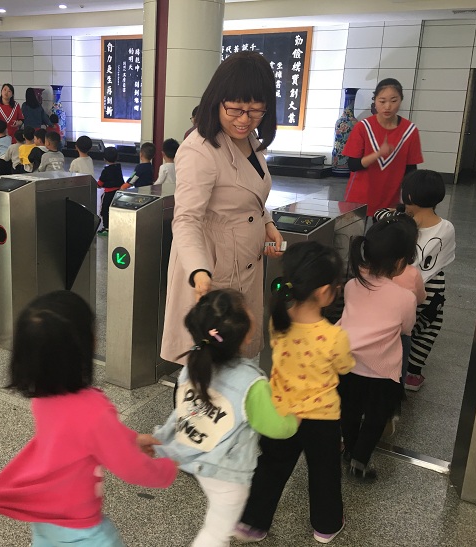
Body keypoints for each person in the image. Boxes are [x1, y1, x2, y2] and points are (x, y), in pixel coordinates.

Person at [0, 291, 177, 546]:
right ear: (86, 345)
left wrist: (132, 439)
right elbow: (131, 467)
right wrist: (167, 468)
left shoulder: (43, 397)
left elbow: (85, 437)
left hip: (46, 519)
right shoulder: (94, 411)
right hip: (82, 531)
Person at [161, 51, 284, 366]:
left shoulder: (250, 139)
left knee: (236, 357)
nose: (244, 120)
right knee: (211, 360)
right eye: (236, 109)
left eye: (255, 110)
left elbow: (250, 191)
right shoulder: (199, 150)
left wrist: (267, 223)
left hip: (244, 258)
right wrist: (199, 271)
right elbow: (186, 219)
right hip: (211, 266)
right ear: (217, 100)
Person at [154, 289, 299, 547]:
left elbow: (182, 411)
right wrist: (294, 418)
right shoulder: (251, 383)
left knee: (218, 516)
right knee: (215, 533)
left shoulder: (192, 365)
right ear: (245, 334)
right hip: (228, 475)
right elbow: (276, 428)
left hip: (197, 459)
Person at [234, 242, 355, 545]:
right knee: (325, 472)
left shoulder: (279, 322)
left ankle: (252, 522)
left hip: (281, 413)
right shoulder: (334, 336)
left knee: (271, 467)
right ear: (325, 292)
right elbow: (344, 367)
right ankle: (326, 526)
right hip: (322, 419)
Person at [337, 215, 419, 479]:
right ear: (400, 262)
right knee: (375, 418)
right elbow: (406, 329)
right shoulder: (405, 297)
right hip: (382, 372)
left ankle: (349, 449)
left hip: (346, 364)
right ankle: (360, 460)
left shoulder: (352, 285)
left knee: (349, 412)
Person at [374, 170, 456, 391]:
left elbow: (378, 214)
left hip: (399, 289)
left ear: (408, 196)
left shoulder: (398, 223)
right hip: (432, 290)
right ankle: (413, 374)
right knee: (428, 329)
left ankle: (387, 366)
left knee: (398, 329)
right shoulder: (447, 228)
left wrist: (398, 211)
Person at [343, 78, 423, 216]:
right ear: (375, 101)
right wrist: (377, 154)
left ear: (401, 100)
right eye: (382, 101)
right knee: (354, 230)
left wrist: (409, 200)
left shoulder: (410, 130)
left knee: (384, 230)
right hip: (360, 196)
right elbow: (353, 165)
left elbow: (411, 170)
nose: (388, 106)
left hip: (391, 197)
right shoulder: (362, 127)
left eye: (394, 101)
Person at [97, 146, 125, 235]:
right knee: (114, 209)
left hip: (108, 193)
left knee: (104, 210)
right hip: (118, 193)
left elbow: (100, 183)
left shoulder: (106, 170)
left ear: (104, 158)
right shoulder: (118, 168)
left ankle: (106, 227)